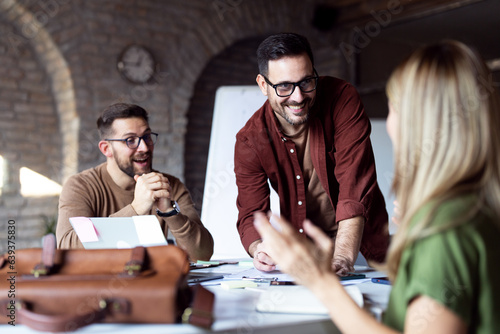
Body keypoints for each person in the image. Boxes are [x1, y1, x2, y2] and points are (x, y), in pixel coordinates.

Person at [254, 40, 500, 333]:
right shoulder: (474, 210)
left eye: (392, 107)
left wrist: (320, 283)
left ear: (417, 123)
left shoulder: (444, 231)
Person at [235, 32, 390, 274]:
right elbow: (251, 214)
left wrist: (341, 257)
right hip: (305, 251)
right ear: (263, 85)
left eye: (306, 81)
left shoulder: (342, 98)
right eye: (284, 86)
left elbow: (354, 185)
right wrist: (260, 248)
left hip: (362, 244)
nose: (298, 97)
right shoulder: (250, 140)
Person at [56, 103, 214, 261]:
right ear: (106, 149)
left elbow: (202, 255)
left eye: (147, 137)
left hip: (152, 283)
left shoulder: (168, 185)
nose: (144, 148)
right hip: (99, 283)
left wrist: (170, 212)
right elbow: (67, 250)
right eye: (130, 140)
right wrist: (136, 209)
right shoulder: (80, 186)